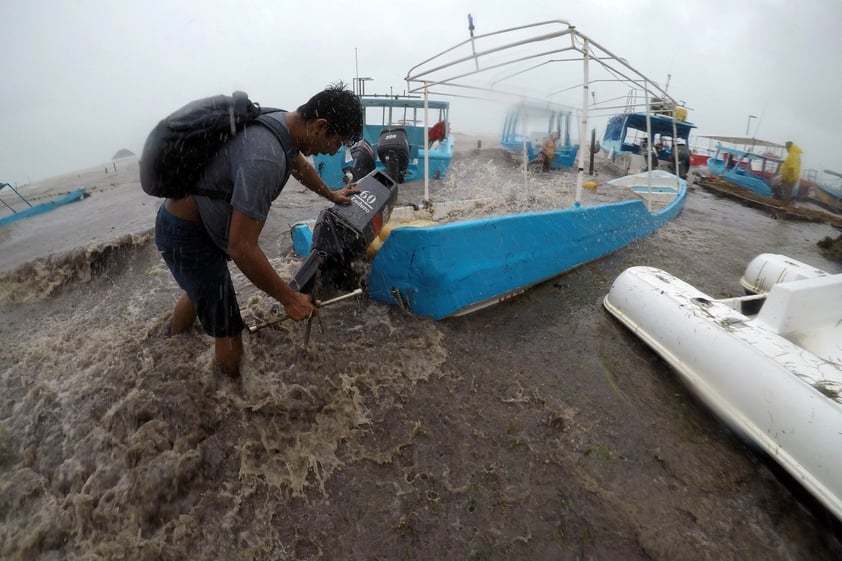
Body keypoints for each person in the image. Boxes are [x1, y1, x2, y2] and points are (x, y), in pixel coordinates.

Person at [154, 83, 364, 377]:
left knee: (200, 288)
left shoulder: (283, 124)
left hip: (191, 223)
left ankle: (171, 348)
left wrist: (331, 194)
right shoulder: (264, 158)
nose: (333, 152)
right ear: (320, 126)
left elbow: (299, 165)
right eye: (336, 142)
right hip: (187, 234)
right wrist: (290, 299)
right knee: (229, 329)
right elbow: (242, 248)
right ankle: (231, 396)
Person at [779, 140, 802, 206]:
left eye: (786, 147)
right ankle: (786, 205)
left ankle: (785, 206)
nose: (786, 149)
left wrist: (787, 178)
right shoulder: (796, 154)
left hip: (789, 178)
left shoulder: (792, 155)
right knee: (787, 193)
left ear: (789, 147)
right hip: (792, 178)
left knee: (786, 192)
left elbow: (791, 168)